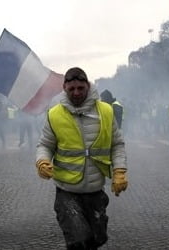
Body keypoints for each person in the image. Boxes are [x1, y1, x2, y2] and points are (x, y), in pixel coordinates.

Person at [36, 67, 128, 249]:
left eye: (80, 88)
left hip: (95, 190)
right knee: (79, 240)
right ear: (65, 88)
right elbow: (45, 145)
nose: (76, 93)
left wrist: (119, 171)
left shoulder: (106, 112)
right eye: (71, 89)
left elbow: (117, 144)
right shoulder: (54, 114)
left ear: (87, 85)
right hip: (66, 190)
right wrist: (42, 160)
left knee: (97, 239)